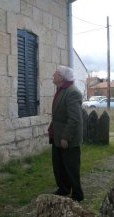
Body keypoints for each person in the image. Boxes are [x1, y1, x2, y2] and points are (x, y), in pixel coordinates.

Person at [48, 65, 84, 202]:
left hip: (68, 138)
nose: (53, 75)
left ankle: (77, 195)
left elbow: (74, 118)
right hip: (57, 135)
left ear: (61, 78)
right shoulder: (62, 89)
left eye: (55, 73)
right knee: (59, 166)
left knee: (71, 167)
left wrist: (65, 137)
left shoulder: (72, 92)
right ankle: (63, 189)